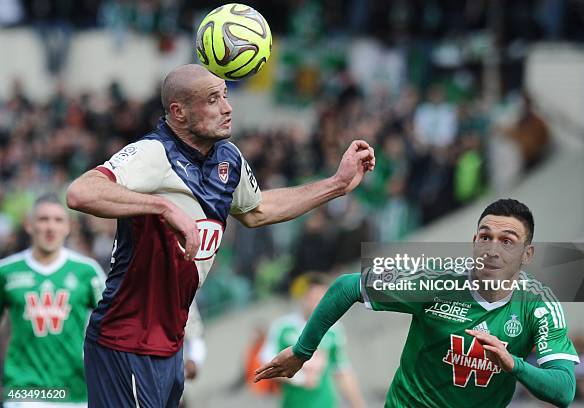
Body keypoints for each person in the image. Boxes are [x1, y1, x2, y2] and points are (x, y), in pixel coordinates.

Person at [65, 63, 375, 408]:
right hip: (126, 339)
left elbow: (257, 210)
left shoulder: (228, 157)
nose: (227, 108)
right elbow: (81, 192)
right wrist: (163, 208)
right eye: (213, 100)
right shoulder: (154, 152)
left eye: (225, 96)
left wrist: (336, 185)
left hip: (170, 342)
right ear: (179, 112)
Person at [255, 199, 580, 408]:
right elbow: (345, 287)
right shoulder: (434, 283)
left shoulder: (539, 305)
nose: (492, 249)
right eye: (485, 237)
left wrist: (513, 364)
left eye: (507, 241)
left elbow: (564, 390)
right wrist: (302, 351)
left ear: (527, 255)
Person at [0, 194, 105, 407]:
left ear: (68, 227)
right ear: (29, 225)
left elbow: (113, 322)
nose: (50, 227)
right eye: (43, 219)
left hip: (73, 392)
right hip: (22, 391)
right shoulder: (6, 271)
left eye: (58, 220)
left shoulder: (87, 271)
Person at [259, 273, 365, 408]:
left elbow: (342, 370)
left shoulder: (334, 330)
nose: (318, 304)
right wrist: (300, 379)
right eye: (313, 298)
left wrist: (359, 404)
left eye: (322, 299)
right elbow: (265, 365)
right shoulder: (283, 328)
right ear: (303, 298)